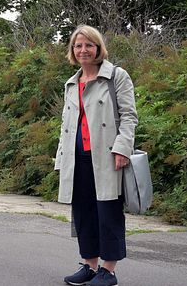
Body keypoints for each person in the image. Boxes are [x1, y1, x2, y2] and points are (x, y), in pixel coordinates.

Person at [55, 25, 138, 286]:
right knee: (83, 212)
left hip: (107, 155)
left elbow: (129, 116)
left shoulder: (116, 76)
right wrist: (61, 158)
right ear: (72, 50)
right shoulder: (72, 83)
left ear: (98, 47)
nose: (83, 50)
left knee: (107, 211)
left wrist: (122, 147)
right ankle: (89, 265)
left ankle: (108, 270)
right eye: (78, 46)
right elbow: (66, 125)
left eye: (88, 45)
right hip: (77, 156)